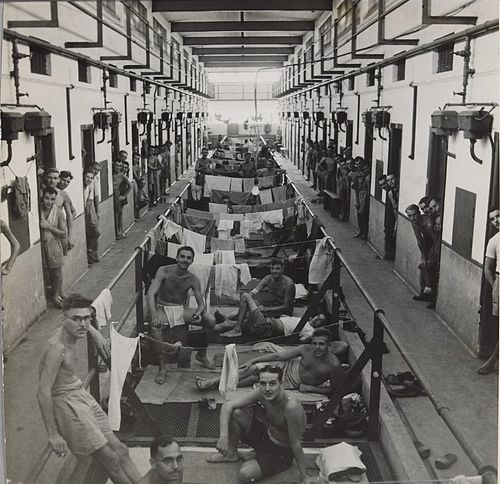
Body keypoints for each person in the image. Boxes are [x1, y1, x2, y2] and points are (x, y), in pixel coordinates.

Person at [37, 294, 141, 484]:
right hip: (67, 405)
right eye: (76, 319)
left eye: (86, 318)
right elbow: (43, 391)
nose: (82, 324)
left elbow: (80, 319)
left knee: (121, 451)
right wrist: (53, 434)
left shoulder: (75, 330)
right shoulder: (56, 348)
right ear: (63, 319)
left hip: (80, 395)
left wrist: (94, 331)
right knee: (108, 461)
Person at [206, 365, 310, 483]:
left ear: (281, 383)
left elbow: (296, 444)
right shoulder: (262, 393)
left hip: (281, 452)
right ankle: (232, 454)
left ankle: (258, 457)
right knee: (236, 413)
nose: (267, 388)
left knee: (245, 475)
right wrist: (223, 436)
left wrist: (304, 477)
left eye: (272, 383)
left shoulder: (291, 407)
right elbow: (227, 406)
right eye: (263, 383)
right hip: (266, 436)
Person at [196, 327, 347, 396]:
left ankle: (215, 385)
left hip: (293, 382)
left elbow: (334, 391)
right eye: (314, 343)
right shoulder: (305, 349)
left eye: (321, 344)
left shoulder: (334, 365)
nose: (317, 347)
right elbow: (278, 357)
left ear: (329, 345)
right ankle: (212, 381)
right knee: (254, 369)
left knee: (254, 379)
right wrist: (253, 360)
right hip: (287, 366)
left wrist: (311, 389)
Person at [146, 245, 216, 383]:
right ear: (177, 257)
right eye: (182, 256)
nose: (184, 260)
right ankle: (162, 368)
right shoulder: (163, 271)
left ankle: (201, 354)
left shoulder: (192, 279)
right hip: (163, 308)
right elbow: (150, 294)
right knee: (155, 328)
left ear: (192, 261)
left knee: (211, 320)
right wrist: (154, 316)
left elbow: (201, 303)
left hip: (181, 309)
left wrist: (198, 312)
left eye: (188, 258)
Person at [218, 258, 295, 337]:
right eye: (272, 268)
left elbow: (286, 307)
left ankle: (237, 328)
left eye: (278, 269)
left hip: (283, 312)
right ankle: (237, 321)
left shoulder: (288, 284)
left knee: (244, 308)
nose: (274, 271)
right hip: (273, 304)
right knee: (246, 305)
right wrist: (247, 301)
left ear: (282, 270)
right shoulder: (268, 278)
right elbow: (254, 291)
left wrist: (265, 309)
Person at [477, 207, 499, 375]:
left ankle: (492, 360)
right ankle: (492, 360)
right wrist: (496, 286)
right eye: (493, 219)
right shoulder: (494, 241)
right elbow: (488, 269)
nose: (497, 220)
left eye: (498, 216)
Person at [405, 204, 438, 307]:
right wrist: (424, 256)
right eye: (409, 216)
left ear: (419, 214)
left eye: (414, 215)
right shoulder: (414, 222)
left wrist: (434, 256)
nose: (412, 218)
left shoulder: (428, 223)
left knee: (429, 267)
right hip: (427, 243)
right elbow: (419, 240)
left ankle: (433, 297)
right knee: (423, 265)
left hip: (435, 243)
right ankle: (424, 292)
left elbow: (436, 240)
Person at [40, 187, 67, 308]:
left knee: (56, 272)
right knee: (46, 274)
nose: (49, 202)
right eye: (47, 198)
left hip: (53, 244)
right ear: (42, 197)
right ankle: (55, 294)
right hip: (41, 246)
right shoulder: (38, 209)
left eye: (52, 199)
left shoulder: (58, 212)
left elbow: (63, 233)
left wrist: (49, 226)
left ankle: (57, 296)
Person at [44, 168, 74, 251]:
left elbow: (69, 216)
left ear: (58, 180)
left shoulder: (63, 195)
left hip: (59, 230)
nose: (52, 181)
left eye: (55, 178)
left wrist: (69, 237)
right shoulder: (41, 194)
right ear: (46, 178)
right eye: (50, 178)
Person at [83, 171, 100, 265]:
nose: (89, 179)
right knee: (89, 233)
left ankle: (89, 250)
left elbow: (90, 201)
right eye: (87, 177)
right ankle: (88, 255)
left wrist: (94, 214)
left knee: (96, 232)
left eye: (91, 178)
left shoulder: (89, 187)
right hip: (84, 213)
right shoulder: (82, 188)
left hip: (88, 211)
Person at [113, 154, 131, 240]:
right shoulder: (112, 174)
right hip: (112, 194)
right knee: (116, 214)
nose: (118, 167)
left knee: (118, 214)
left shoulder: (122, 175)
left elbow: (130, 185)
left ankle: (119, 232)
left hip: (118, 195)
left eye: (120, 166)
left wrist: (124, 196)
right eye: (116, 165)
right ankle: (118, 232)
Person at [352, 157, 370, 240]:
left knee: (364, 214)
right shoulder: (356, 174)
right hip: (360, 194)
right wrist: (357, 200)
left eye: (359, 163)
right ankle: (360, 231)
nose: (358, 166)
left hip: (367, 194)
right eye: (356, 164)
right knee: (359, 213)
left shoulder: (367, 173)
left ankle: (365, 233)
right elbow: (356, 187)